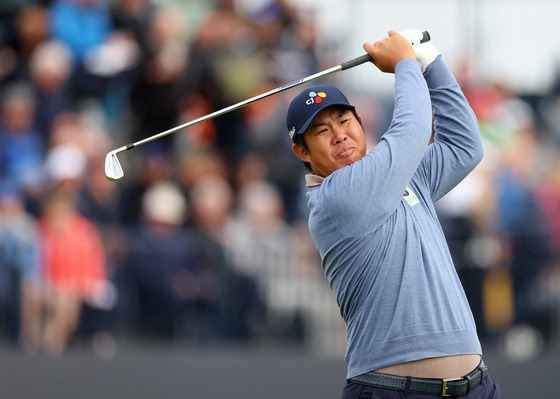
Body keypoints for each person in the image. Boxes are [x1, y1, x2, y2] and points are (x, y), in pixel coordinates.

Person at [286, 30, 502, 398]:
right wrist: (405, 62)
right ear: (302, 153)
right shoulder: (336, 198)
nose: (339, 135)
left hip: (476, 387)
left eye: (344, 120)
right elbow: (413, 130)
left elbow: (464, 145)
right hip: (394, 391)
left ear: (360, 122)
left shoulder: (401, 176)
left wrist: (431, 62)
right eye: (321, 130)